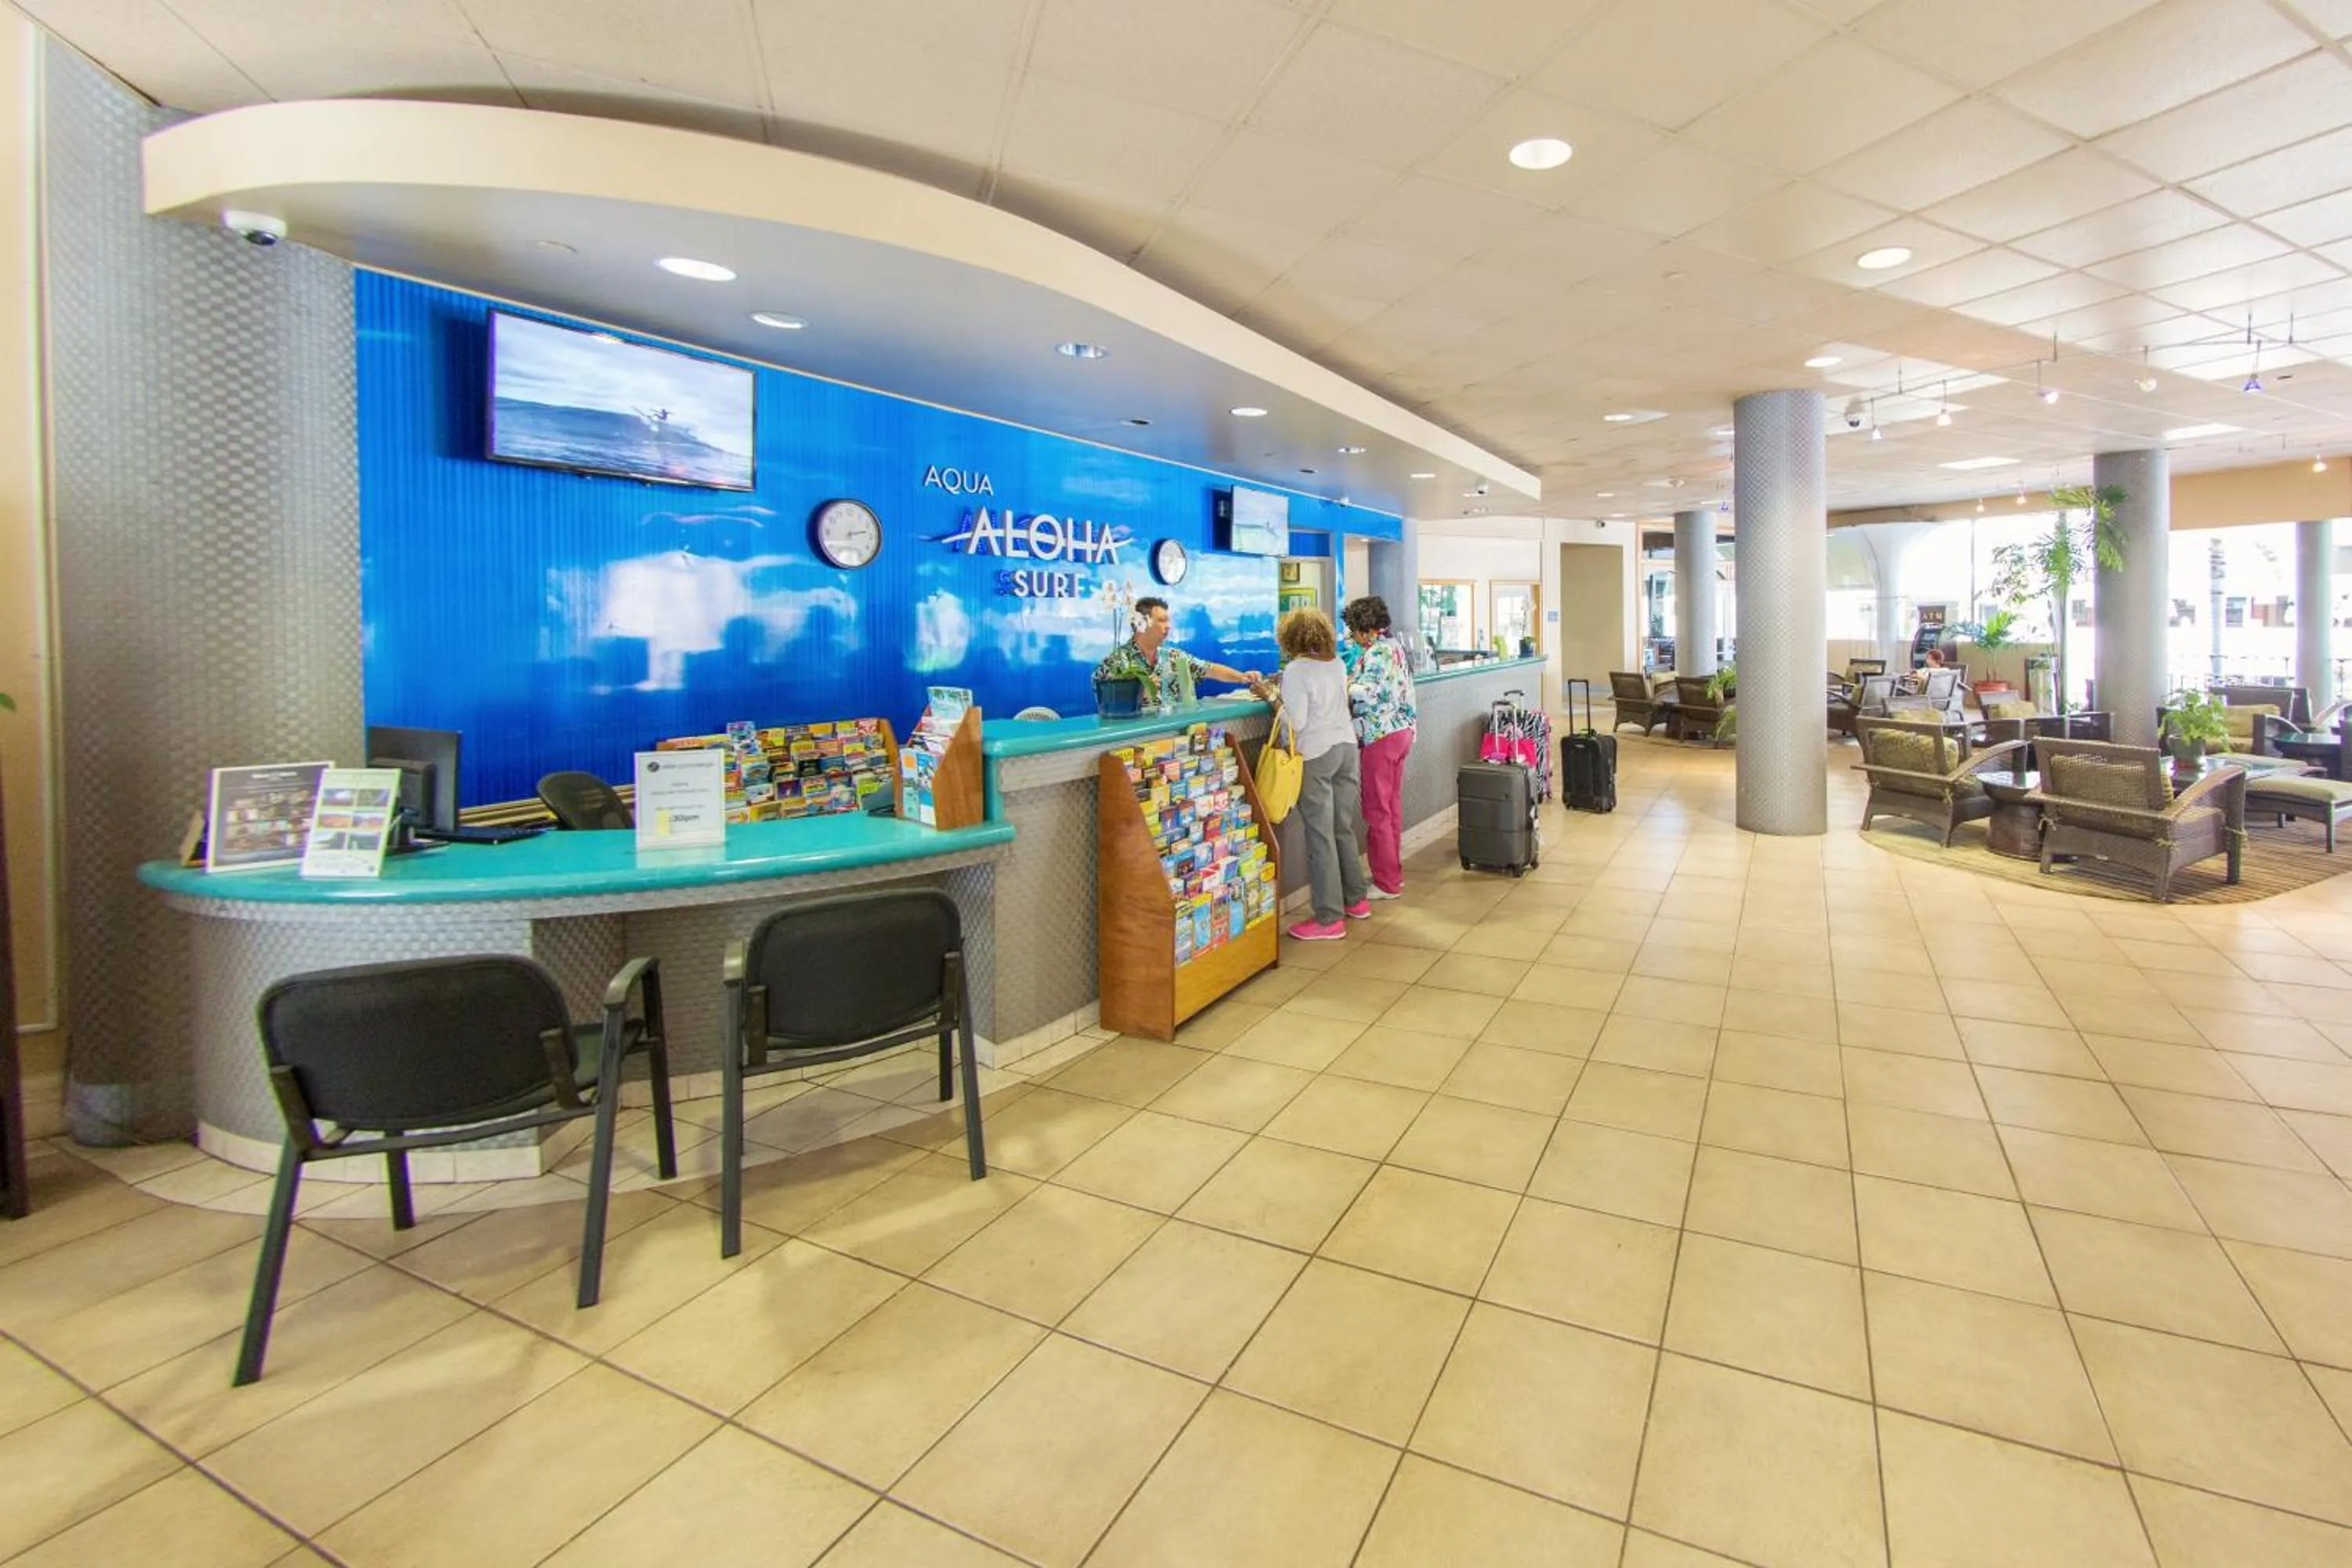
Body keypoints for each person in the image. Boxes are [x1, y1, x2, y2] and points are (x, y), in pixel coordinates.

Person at [1258, 607, 1367, 940]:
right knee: (1342, 829)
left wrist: (1271, 698)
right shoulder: (1335, 664)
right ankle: (1356, 900)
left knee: (1320, 837)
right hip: (1346, 749)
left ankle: (1328, 918)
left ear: (1290, 638)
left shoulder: (1296, 670)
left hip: (1317, 755)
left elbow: (1297, 722)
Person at [1341, 594, 1417, 901]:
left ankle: (1386, 882)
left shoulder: (1375, 654)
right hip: (1402, 734)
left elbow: (1366, 693)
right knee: (1391, 808)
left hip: (1380, 737)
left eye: (1353, 630)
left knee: (1377, 811)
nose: (1352, 637)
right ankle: (1393, 875)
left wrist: (1342, 685)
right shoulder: (1395, 648)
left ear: (1365, 628)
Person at [1094, 596, 1258, 707]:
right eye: (1162, 620)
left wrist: (1242, 677)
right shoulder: (1117, 662)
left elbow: (1209, 669)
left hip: (1171, 738)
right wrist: (1135, 692)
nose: (1169, 626)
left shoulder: (1173, 657)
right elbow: (1105, 702)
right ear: (1141, 623)